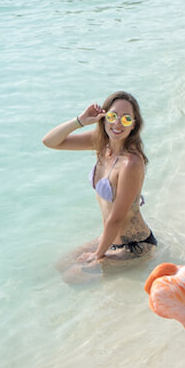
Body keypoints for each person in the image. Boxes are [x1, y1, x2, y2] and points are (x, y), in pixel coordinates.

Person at [43, 91, 157, 283]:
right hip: (109, 238)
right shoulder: (101, 144)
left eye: (126, 119)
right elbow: (50, 142)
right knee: (61, 264)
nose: (118, 124)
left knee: (72, 277)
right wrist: (80, 120)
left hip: (134, 246)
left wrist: (97, 255)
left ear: (134, 124)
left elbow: (117, 218)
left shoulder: (130, 163)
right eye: (112, 116)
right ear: (103, 118)